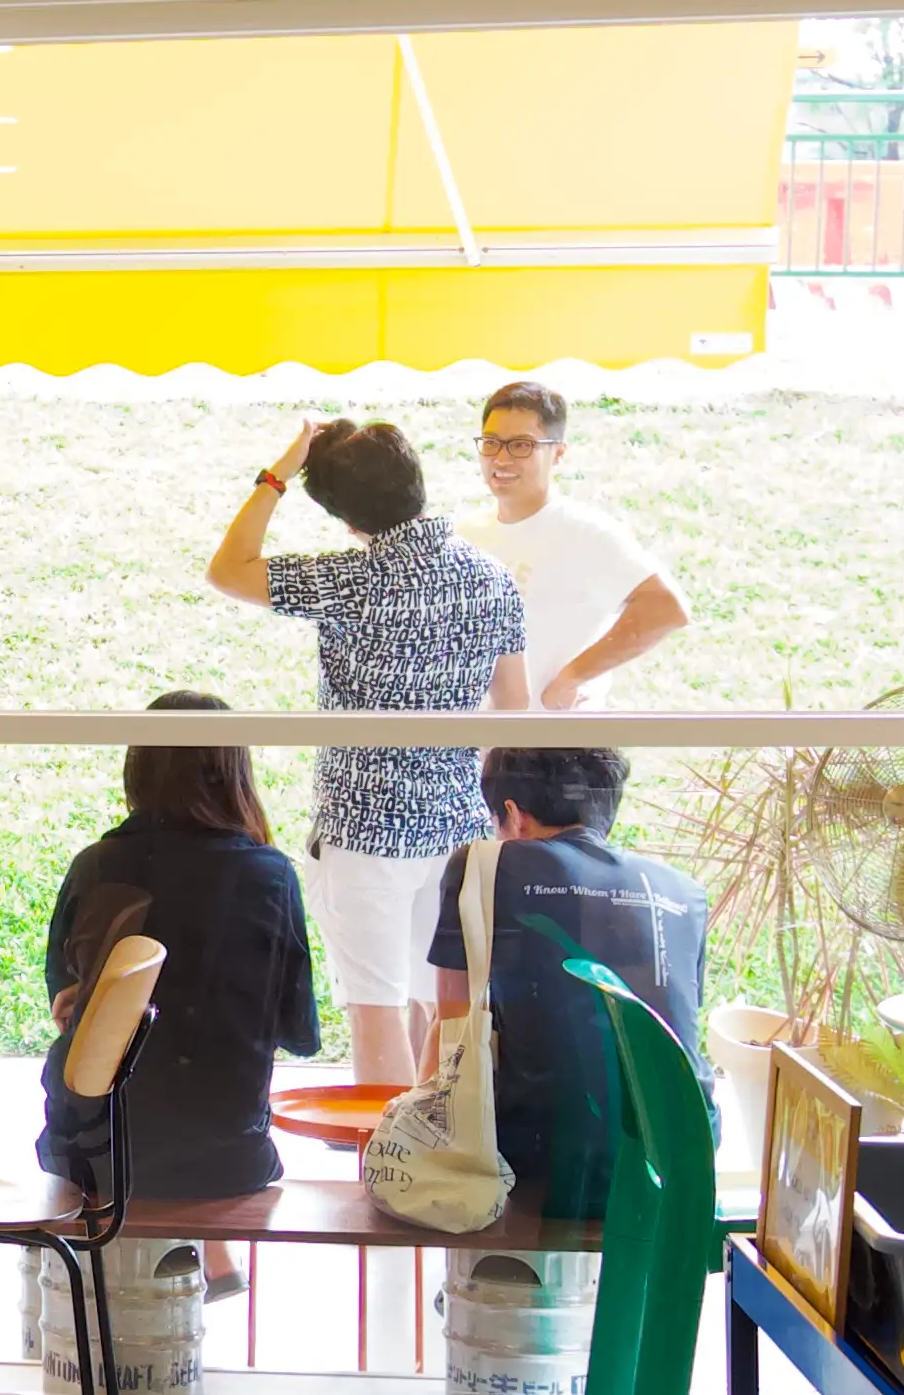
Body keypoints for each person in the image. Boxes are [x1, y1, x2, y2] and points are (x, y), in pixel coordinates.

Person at [208, 416, 533, 1089]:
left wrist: (277, 473)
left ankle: (383, 1171)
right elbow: (514, 706)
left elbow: (226, 569)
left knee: (376, 1009)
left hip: (363, 830)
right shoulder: (490, 577)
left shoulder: (347, 582)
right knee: (441, 1005)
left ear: (341, 514)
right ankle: (440, 1152)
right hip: (457, 827)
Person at [36, 691, 320, 1199]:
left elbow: (65, 1006)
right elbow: (299, 1031)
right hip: (229, 1159)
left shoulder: (95, 867)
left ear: (138, 767)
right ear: (235, 773)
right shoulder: (270, 876)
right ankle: (217, 1267)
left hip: (96, 1157)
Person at [427, 742, 713, 1222]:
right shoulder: (684, 891)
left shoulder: (483, 865)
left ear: (513, 815)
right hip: (681, 1162)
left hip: (548, 1169)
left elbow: (452, 1029)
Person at [471, 381, 689, 711]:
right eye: (491, 443)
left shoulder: (586, 532)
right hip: (475, 749)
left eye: (521, 445)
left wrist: (572, 677)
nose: (501, 458)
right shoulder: (467, 534)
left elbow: (666, 608)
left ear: (558, 453)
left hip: (553, 748)